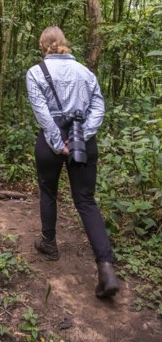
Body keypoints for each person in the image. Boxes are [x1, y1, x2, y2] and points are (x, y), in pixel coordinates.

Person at [26, 26, 119, 299]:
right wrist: (82, 136)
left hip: (50, 141)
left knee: (48, 192)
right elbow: (98, 107)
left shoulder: (35, 72)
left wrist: (58, 143)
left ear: (43, 46)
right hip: (83, 141)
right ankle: (105, 267)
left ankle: (49, 244)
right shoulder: (86, 73)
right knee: (86, 201)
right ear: (64, 44)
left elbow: (42, 114)